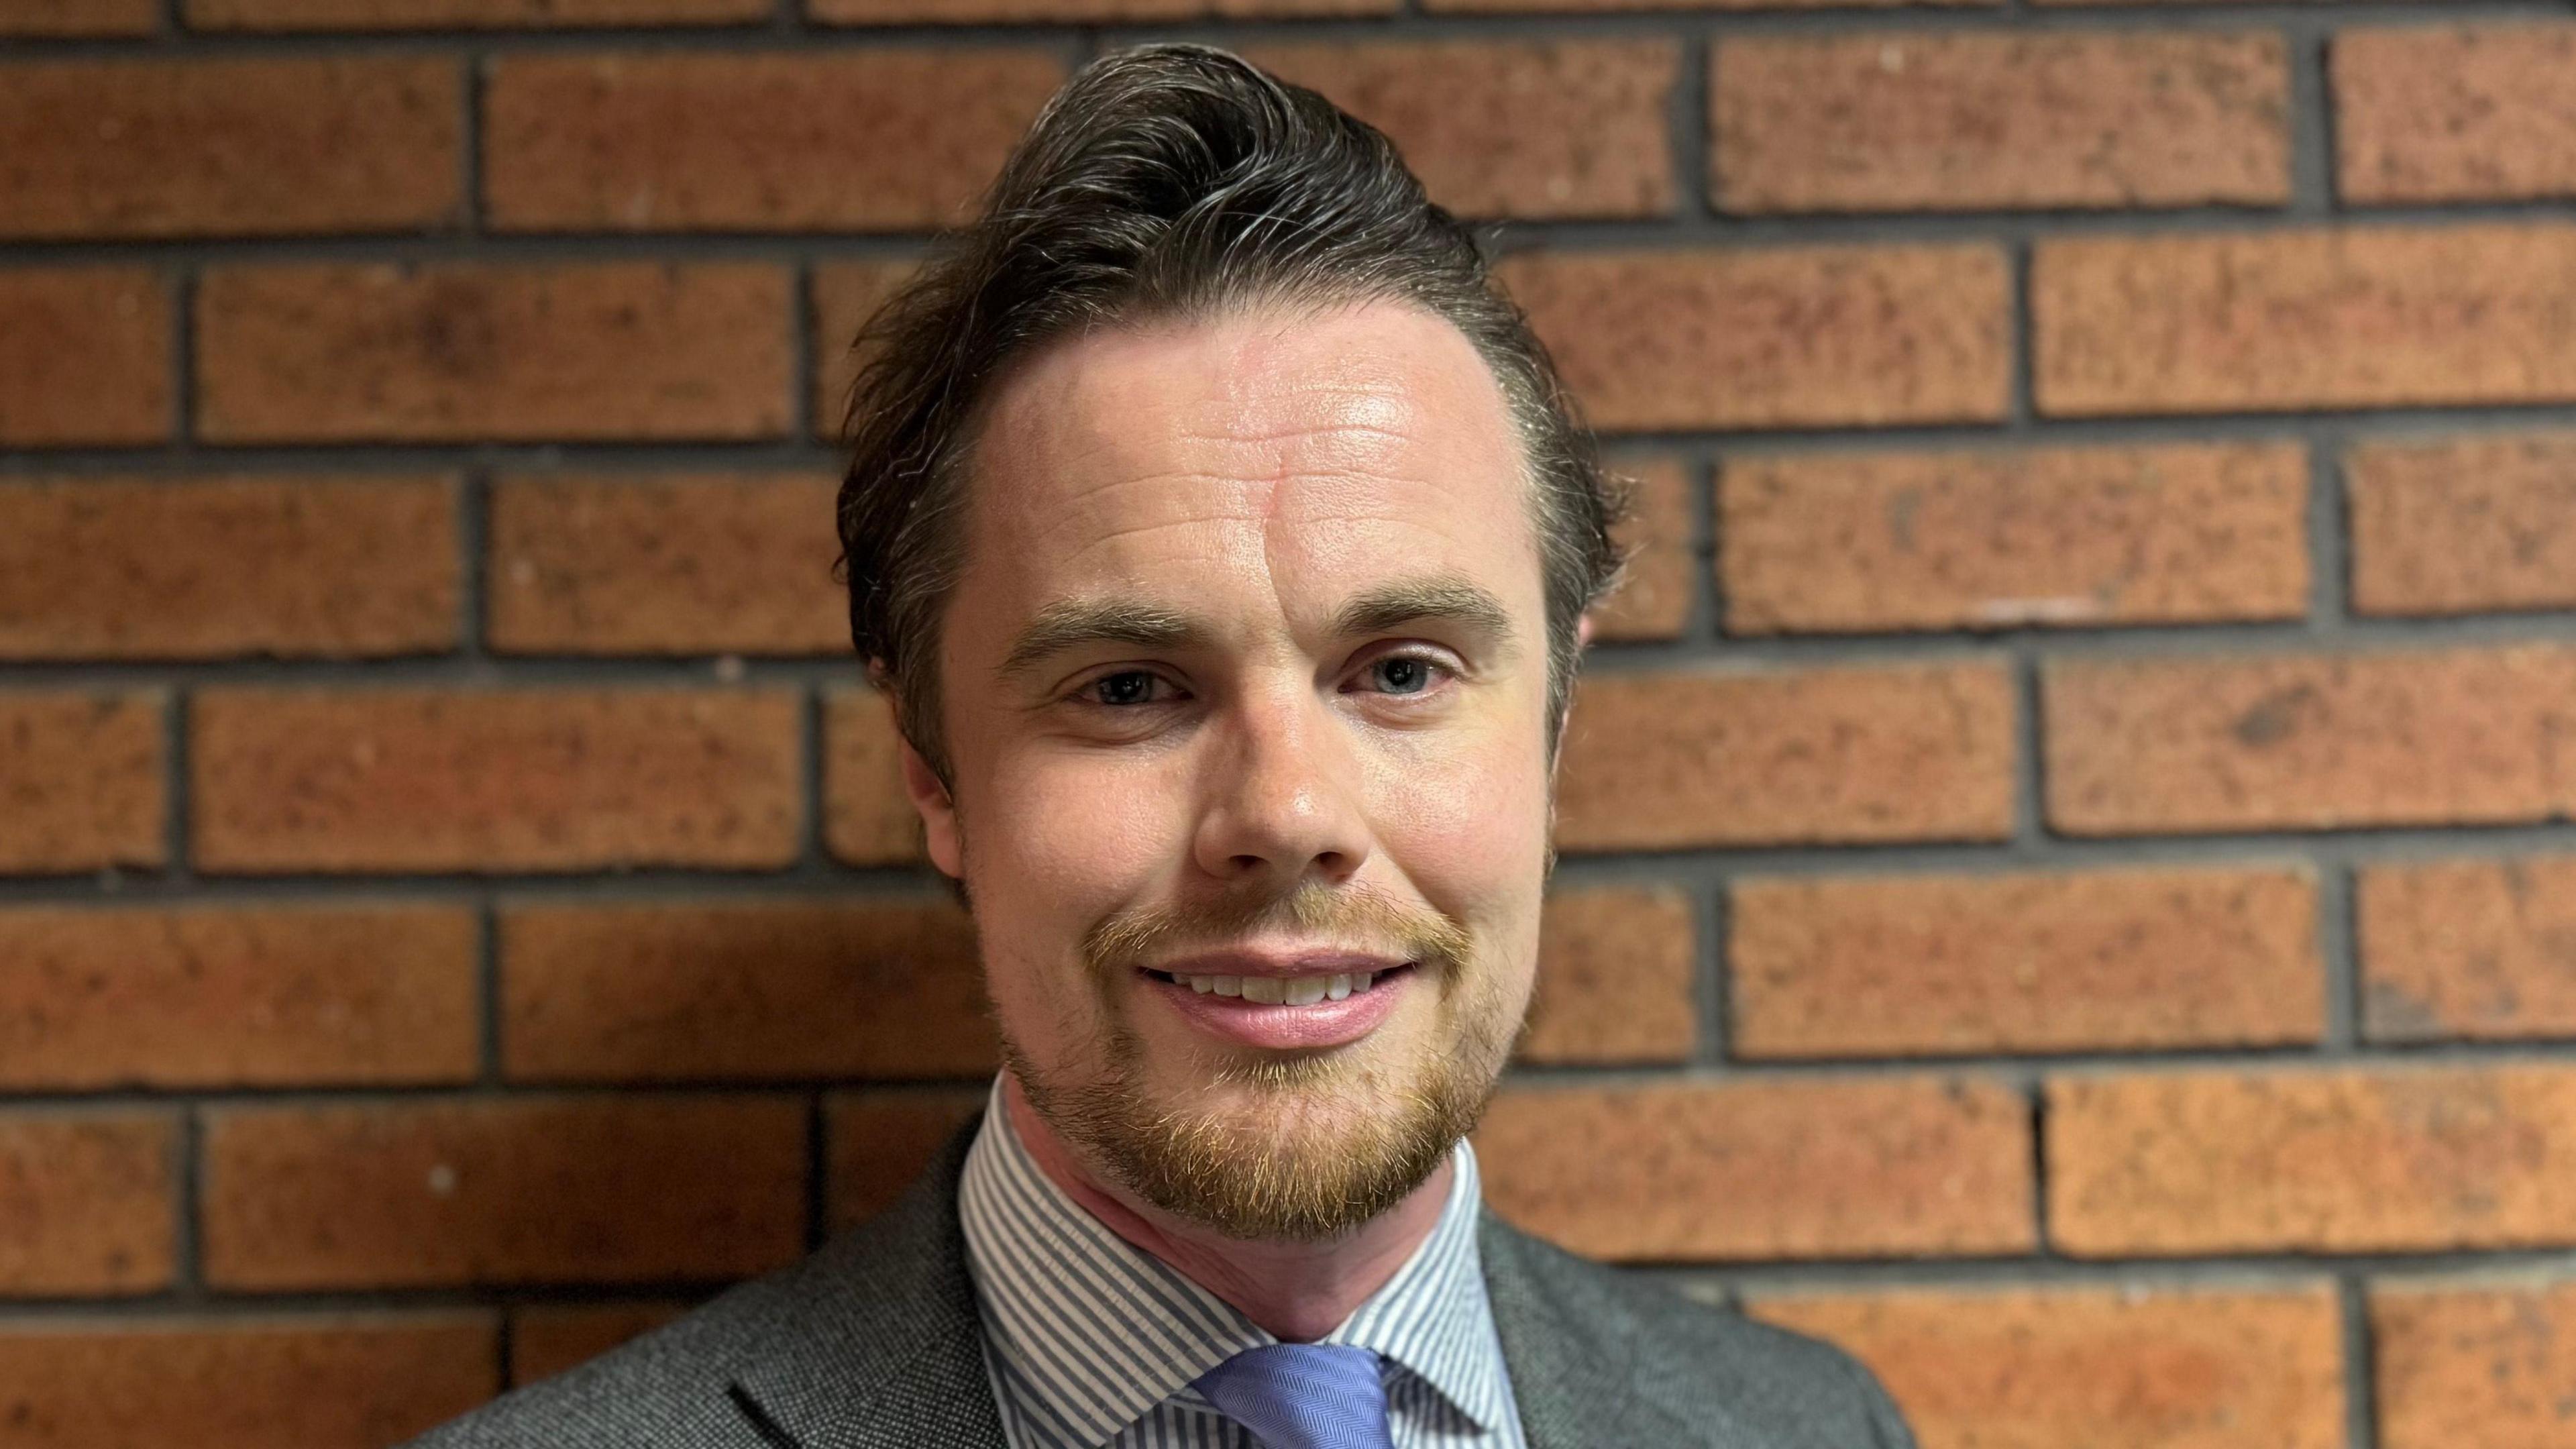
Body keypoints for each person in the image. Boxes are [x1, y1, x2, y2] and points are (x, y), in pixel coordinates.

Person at [407, 43, 1915, 1449]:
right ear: (933, 771)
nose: (1287, 811)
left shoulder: (1808, 1425)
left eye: (1398, 669)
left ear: (1557, 730)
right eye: (1129, 688)